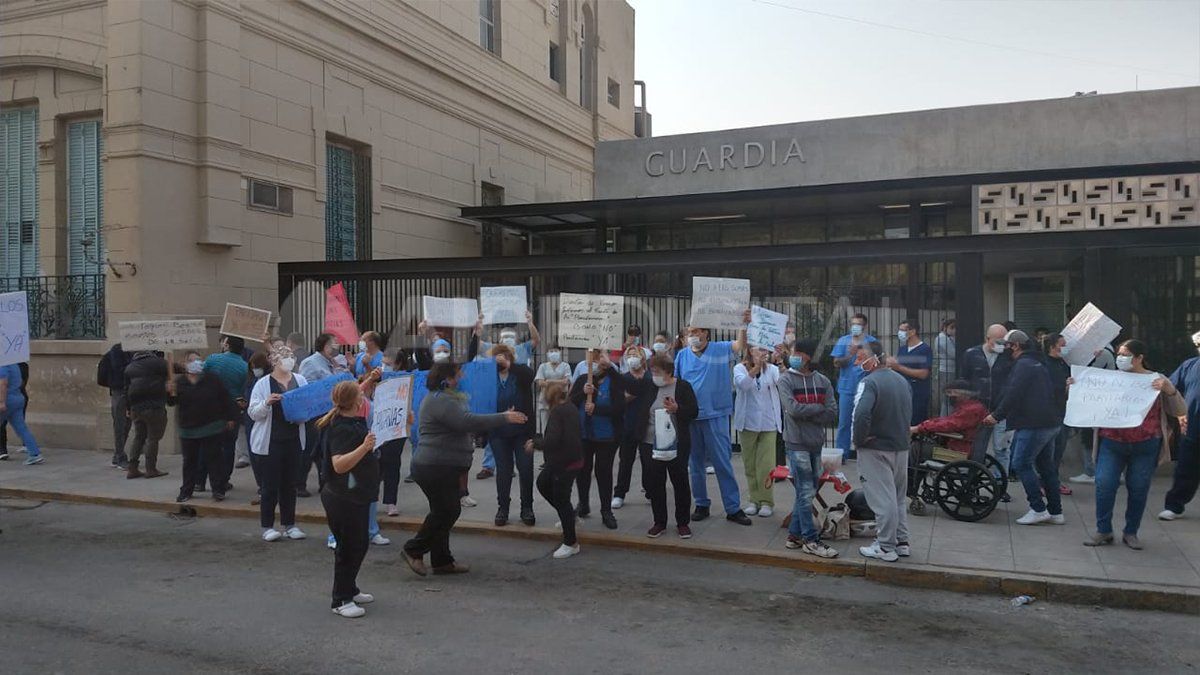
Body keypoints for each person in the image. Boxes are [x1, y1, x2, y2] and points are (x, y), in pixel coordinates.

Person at [401, 361, 525, 577]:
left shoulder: (449, 398)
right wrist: (503, 418)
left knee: (442, 511)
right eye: (456, 376)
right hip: (433, 466)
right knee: (447, 510)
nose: (460, 380)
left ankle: (442, 561)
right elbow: (467, 421)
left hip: (443, 466)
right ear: (446, 379)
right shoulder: (440, 400)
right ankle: (413, 549)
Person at [1073, 340, 1185, 549]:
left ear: (1139, 357)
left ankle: (1131, 532)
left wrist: (1169, 390)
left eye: (1125, 354)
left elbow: (1179, 410)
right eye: (1119, 354)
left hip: (1146, 445)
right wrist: (1075, 387)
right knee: (1104, 484)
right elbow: (1086, 402)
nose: (1120, 358)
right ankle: (1103, 530)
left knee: (1138, 488)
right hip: (1112, 443)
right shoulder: (1109, 379)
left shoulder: (1157, 380)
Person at [675, 312, 753, 526]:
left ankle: (733, 507)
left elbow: (739, 346)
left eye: (696, 332)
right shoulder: (682, 355)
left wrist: (742, 324)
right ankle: (701, 503)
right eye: (689, 332)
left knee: (721, 462)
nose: (692, 335)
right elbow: (676, 385)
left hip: (716, 414)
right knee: (696, 464)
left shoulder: (719, 349)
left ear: (706, 334)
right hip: (691, 417)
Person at [983, 330, 1065, 526]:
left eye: (1006, 345)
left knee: (1021, 464)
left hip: (1033, 423)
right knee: (1046, 467)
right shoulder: (1038, 362)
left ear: (1016, 346)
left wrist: (996, 415)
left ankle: (1038, 508)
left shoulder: (1024, 365)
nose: (1003, 348)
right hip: (1049, 421)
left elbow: (1013, 393)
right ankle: (1056, 511)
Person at [315, 380, 380, 618]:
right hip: (343, 496)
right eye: (360, 394)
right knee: (349, 547)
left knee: (359, 543)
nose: (363, 397)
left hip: (356, 494)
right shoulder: (341, 427)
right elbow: (339, 465)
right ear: (355, 401)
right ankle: (340, 599)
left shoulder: (352, 421)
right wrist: (364, 448)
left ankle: (350, 588)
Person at [777, 340, 839, 558]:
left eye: (800, 353)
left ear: (809, 357)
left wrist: (809, 411)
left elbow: (832, 412)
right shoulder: (785, 379)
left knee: (807, 491)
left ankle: (794, 536)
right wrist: (817, 409)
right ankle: (811, 540)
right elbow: (792, 409)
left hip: (816, 442)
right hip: (796, 443)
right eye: (794, 352)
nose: (795, 356)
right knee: (805, 492)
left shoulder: (822, 381)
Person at [852, 342, 913, 562]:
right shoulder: (901, 380)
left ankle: (886, 546)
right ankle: (901, 541)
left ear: (874, 358)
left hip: (875, 448)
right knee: (897, 497)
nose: (857, 363)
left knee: (882, 499)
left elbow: (861, 415)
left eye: (860, 358)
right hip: (900, 446)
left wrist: (858, 440)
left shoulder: (869, 382)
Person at [630, 351, 698, 538]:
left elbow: (693, 411)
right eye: (652, 370)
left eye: (657, 371)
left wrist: (678, 409)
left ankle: (683, 522)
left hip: (676, 444)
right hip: (650, 443)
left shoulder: (683, 387)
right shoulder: (649, 387)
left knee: (680, 482)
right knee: (655, 484)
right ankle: (659, 521)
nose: (654, 375)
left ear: (668, 371)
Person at [248, 345, 309, 542]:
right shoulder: (263, 384)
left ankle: (289, 524)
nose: (289, 360)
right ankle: (267, 526)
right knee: (270, 485)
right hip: (270, 441)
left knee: (290, 485)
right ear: (274, 361)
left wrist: (302, 414)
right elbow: (253, 413)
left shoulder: (300, 380)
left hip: (293, 439)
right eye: (284, 356)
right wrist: (267, 403)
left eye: (291, 356)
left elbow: (308, 405)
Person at [168, 351, 239, 502]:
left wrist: (230, 417)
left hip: (211, 426)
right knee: (189, 462)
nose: (197, 362)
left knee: (214, 459)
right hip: (188, 429)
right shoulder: (179, 382)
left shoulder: (212, 379)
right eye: (192, 360)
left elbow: (225, 398)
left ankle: (218, 490)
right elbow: (171, 402)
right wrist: (169, 392)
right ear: (185, 364)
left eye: (199, 359)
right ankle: (187, 490)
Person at [570, 349, 627, 529]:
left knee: (604, 472)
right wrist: (582, 393)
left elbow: (619, 407)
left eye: (601, 359)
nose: (598, 364)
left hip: (606, 435)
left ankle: (606, 510)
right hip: (584, 434)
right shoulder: (583, 380)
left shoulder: (615, 380)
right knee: (583, 470)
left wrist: (597, 409)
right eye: (594, 360)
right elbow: (570, 402)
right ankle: (584, 503)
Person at [528, 380, 584, 558]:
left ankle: (571, 542)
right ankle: (568, 516)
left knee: (562, 499)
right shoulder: (569, 407)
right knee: (543, 483)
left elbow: (552, 440)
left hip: (564, 463)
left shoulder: (558, 412)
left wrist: (535, 443)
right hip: (563, 461)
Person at [488, 343, 537, 527]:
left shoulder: (519, 372)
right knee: (504, 471)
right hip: (498, 431)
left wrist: (510, 366)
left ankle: (527, 507)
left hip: (522, 431)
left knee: (525, 469)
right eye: (497, 357)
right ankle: (503, 508)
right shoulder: (489, 377)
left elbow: (531, 376)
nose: (499, 360)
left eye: (503, 356)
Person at [733, 345, 782, 517]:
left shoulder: (773, 369)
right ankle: (754, 499)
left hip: (769, 423)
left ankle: (767, 501)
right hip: (748, 422)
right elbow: (743, 385)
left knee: (767, 464)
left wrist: (781, 360)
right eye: (759, 349)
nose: (763, 353)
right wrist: (755, 368)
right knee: (750, 464)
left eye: (765, 350)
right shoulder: (739, 368)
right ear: (750, 351)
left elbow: (782, 382)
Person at [298, 333, 349, 497]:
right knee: (311, 449)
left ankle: (324, 482)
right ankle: (299, 484)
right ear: (326, 346)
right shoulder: (310, 362)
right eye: (334, 343)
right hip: (315, 413)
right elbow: (307, 387)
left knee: (324, 449)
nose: (336, 347)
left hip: (329, 412)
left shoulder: (332, 363)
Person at [960, 324, 1014, 477]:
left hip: (1001, 409)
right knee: (977, 447)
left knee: (1002, 448)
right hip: (978, 409)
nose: (1000, 346)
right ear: (987, 339)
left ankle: (1000, 481)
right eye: (997, 342)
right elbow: (964, 380)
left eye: (1003, 342)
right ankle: (972, 478)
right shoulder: (972, 354)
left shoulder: (1008, 356)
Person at [200, 335, 250, 495]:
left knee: (206, 445)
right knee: (228, 447)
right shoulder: (244, 366)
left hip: (209, 408)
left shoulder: (212, 359)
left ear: (227, 345)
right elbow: (244, 390)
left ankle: (199, 481)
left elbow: (201, 377)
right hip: (232, 409)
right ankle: (223, 480)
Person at [1160, 329, 1200, 521]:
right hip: (1192, 427)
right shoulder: (1189, 366)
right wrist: (1179, 413)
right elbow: (1172, 388)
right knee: (1186, 468)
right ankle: (1174, 506)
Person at [831, 313, 879, 458]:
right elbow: (836, 363)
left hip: (867, 388)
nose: (855, 327)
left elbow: (877, 362)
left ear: (864, 326)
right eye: (853, 324)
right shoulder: (843, 341)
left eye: (858, 324)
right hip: (847, 388)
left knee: (867, 421)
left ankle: (867, 453)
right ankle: (842, 454)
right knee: (844, 423)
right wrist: (851, 355)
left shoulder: (872, 342)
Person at [613, 345, 652, 510]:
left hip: (647, 425)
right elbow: (617, 400)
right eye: (628, 354)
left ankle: (651, 491)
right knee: (625, 461)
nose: (631, 357)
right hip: (628, 424)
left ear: (642, 357)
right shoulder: (623, 378)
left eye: (634, 354)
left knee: (649, 461)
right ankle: (619, 493)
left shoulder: (650, 377)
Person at [911, 380, 989, 457]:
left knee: (916, 447)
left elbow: (949, 424)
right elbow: (949, 421)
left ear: (963, 394)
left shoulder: (970, 410)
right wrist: (929, 423)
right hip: (964, 448)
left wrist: (921, 428)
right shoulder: (972, 407)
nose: (948, 396)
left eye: (950, 393)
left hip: (958, 453)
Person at [123, 350, 170, 478]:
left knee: (139, 437)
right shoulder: (158, 363)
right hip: (154, 406)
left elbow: (126, 389)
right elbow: (172, 369)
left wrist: (128, 407)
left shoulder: (129, 367)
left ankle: (132, 468)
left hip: (136, 407)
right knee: (153, 438)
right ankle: (151, 469)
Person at [1041, 333, 1073, 496]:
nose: (1064, 347)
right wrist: (1064, 387)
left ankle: (1053, 481)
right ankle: (1045, 483)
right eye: (1062, 344)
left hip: (1063, 411)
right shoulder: (1045, 364)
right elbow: (1047, 389)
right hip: (1050, 413)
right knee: (1050, 450)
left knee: (1059, 449)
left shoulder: (1062, 363)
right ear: (1052, 346)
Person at [888, 319, 933, 426]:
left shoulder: (924, 349)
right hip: (902, 391)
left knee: (915, 421)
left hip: (917, 392)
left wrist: (898, 367)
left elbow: (923, 374)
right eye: (899, 330)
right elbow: (897, 368)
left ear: (913, 331)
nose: (900, 333)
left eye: (903, 330)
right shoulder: (902, 349)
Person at [0, 362, 42, 465]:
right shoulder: (15, 365)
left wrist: (1, 402)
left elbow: (3, 384)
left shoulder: (3, 366)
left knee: (20, 428)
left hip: (7, 400)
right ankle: (35, 454)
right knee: (21, 428)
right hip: (18, 398)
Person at [97, 343, 132, 469]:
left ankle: (118, 455)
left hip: (121, 390)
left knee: (124, 423)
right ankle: (119, 456)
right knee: (121, 423)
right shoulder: (118, 351)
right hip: (120, 390)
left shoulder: (125, 350)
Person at [245, 351, 271, 505]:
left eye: (257, 367)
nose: (255, 370)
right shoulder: (251, 381)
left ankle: (266, 488)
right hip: (251, 420)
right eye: (253, 367)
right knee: (255, 456)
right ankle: (262, 486)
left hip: (263, 422)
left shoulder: (267, 381)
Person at [473, 310, 541, 367]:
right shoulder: (493, 348)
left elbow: (536, 340)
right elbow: (477, 344)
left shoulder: (522, 348)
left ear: (516, 339)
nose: (508, 339)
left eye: (511, 337)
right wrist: (478, 327)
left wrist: (530, 323)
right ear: (500, 340)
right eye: (505, 337)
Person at [534, 343, 572, 431]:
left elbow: (566, 381)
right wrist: (559, 381)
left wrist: (549, 381)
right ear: (547, 353)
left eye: (556, 351)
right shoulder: (543, 366)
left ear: (560, 352)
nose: (553, 353)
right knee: (545, 427)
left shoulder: (565, 366)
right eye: (551, 351)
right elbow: (540, 382)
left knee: (561, 426)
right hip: (545, 400)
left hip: (561, 400)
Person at [934, 319, 957, 416]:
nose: (954, 330)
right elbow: (953, 353)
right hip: (947, 369)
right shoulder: (942, 338)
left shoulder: (948, 338)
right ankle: (944, 417)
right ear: (945, 327)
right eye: (951, 328)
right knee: (948, 395)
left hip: (949, 368)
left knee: (950, 395)